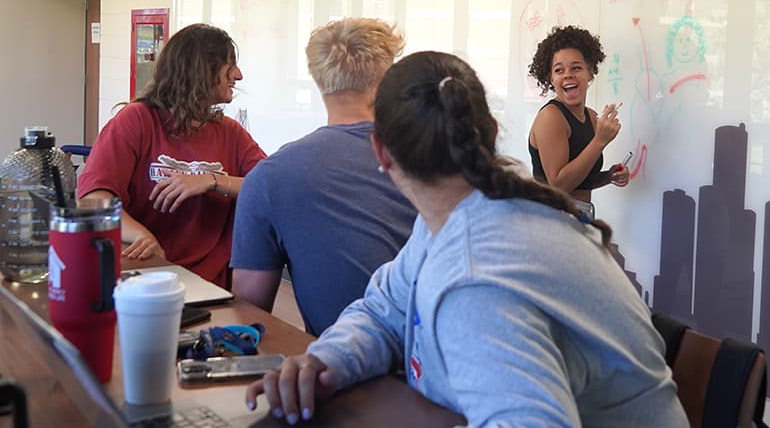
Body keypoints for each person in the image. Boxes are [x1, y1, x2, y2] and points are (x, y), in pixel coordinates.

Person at [244, 51, 688, 427]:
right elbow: (386, 310)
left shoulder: (477, 279)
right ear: (489, 131)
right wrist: (327, 361)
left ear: (380, 151)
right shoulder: (461, 210)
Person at [230, 18, 417, 336]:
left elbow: (248, 314)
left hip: (341, 370)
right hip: (448, 369)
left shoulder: (271, 177)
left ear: (319, 79)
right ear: (387, 79)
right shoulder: (434, 160)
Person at [78, 23, 266, 287]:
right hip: (143, 273)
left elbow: (271, 187)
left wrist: (212, 180)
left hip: (209, 283)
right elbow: (93, 199)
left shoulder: (230, 132)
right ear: (202, 70)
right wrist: (142, 236)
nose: (238, 75)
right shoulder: (137, 120)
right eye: (229, 65)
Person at [528, 25, 629, 216]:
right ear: (550, 78)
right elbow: (559, 185)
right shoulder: (551, 117)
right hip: (551, 218)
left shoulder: (591, 116)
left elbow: (580, 181)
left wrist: (609, 176)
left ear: (590, 73)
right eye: (559, 70)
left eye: (576, 68)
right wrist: (599, 141)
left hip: (580, 215)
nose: (568, 74)